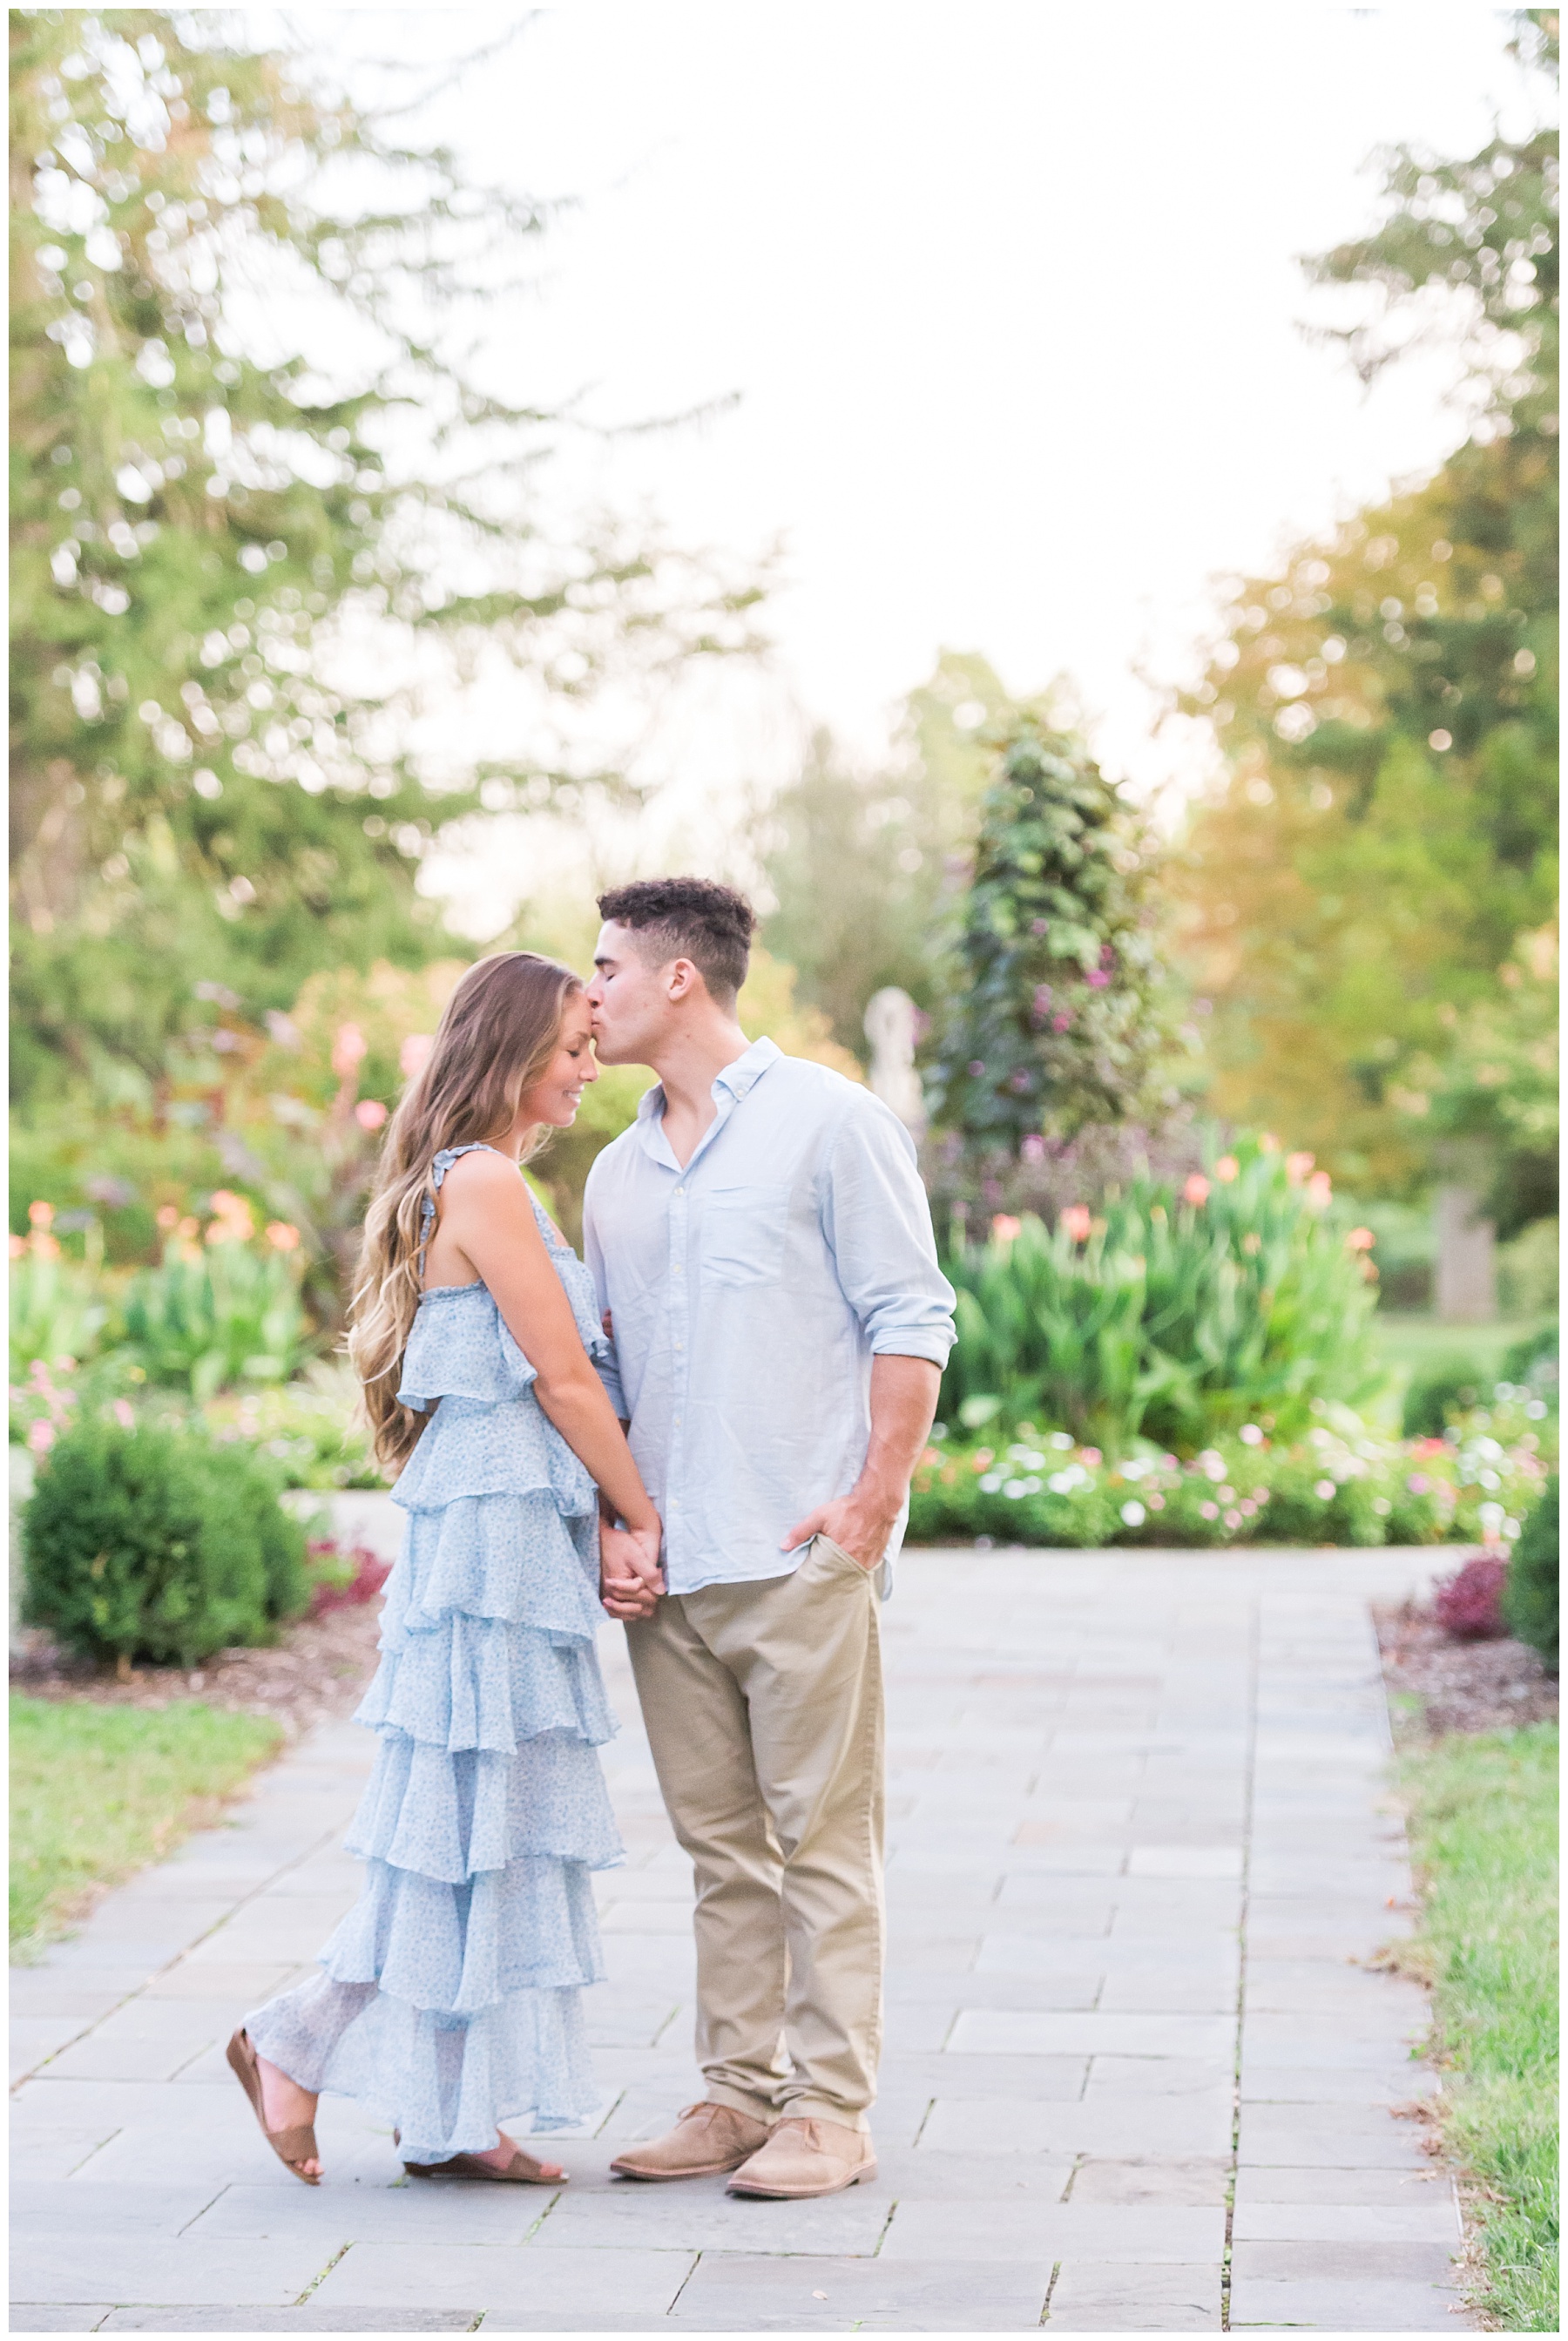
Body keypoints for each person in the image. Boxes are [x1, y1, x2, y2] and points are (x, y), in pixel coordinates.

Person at [227, 951, 663, 2187]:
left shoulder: (473, 1180)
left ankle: (447, 2115)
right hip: (490, 1551)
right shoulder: (480, 1183)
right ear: (515, 1053)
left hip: (501, 1532)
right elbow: (563, 1382)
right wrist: (641, 1514)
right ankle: (298, 2039)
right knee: (473, 1822)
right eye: (573, 1048)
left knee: (483, 1829)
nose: (590, 1071)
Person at [582, 877, 956, 2202]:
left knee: (823, 1849)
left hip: (799, 1557)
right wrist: (620, 1527)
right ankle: (737, 2098)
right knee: (719, 1854)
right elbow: (608, 1379)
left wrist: (868, 1505)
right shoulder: (614, 1174)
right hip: (671, 1576)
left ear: (681, 978)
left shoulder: (830, 1124)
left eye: (609, 967)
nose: (592, 993)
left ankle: (831, 2114)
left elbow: (913, 1317)